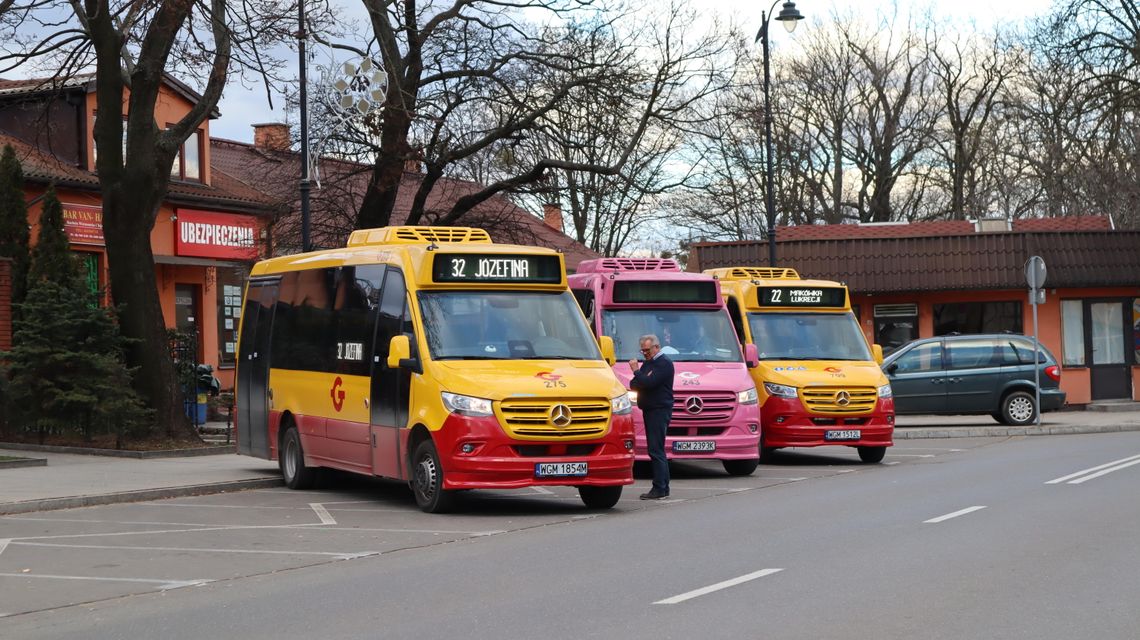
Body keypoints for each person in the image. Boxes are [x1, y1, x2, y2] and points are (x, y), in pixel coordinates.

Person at [628, 333, 674, 500]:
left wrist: (636, 371)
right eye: (642, 351)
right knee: (656, 449)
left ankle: (659, 487)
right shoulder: (650, 363)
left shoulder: (664, 364)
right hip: (651, 409)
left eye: (647, 350)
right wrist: (641, 377)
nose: (645, 353)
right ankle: (663, 486)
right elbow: (634, 384)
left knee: (656, 450)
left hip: (659, 410)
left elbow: (648, 383)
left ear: (656, 347)